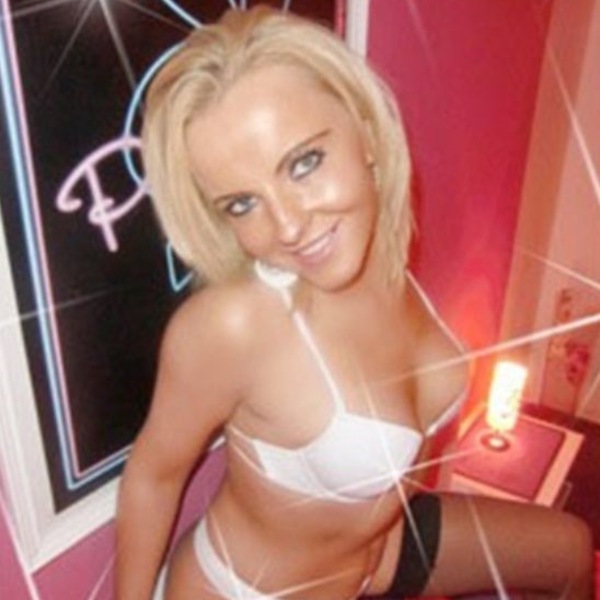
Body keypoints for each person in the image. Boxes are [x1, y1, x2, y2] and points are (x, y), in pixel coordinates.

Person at [116, 6, 594, 600]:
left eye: (304, 163)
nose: (289, 227)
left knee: (571, 550)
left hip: (378, 557)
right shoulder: (233, 325)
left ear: (366, 132)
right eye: (242, 204)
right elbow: (152, 477)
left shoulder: (385, 253)